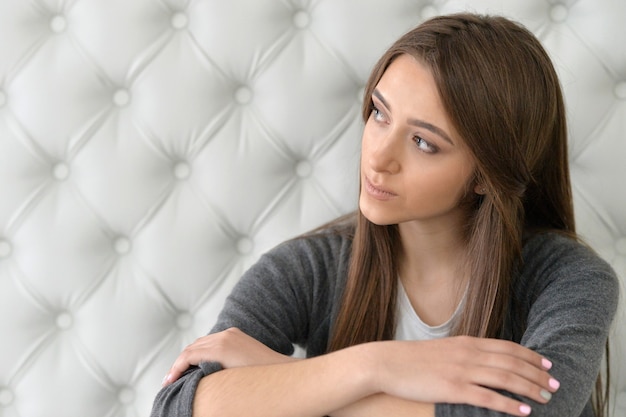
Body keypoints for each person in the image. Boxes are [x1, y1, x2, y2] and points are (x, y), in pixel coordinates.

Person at [150, 12, 619, 417]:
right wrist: (377, 365)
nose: (378, 157)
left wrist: (290, 381)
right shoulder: (307, 269)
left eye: (423, 142)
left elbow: (532, 413)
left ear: (484, 175)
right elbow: (179, 406)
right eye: (379, 113)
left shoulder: (572, 281)